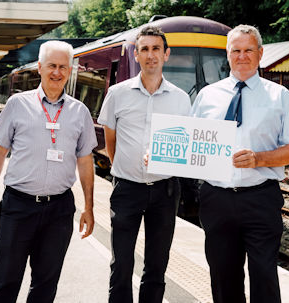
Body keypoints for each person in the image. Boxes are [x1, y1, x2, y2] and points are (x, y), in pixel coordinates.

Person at [190, 25, 289, 303]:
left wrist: (259, 159)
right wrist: (159, 154)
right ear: (227, 54)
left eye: (248, 50)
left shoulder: (279, 95)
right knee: (222, 276)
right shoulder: (208, 95)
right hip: (216, 199)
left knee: (264, 276)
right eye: (236, 50)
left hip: (261, 198)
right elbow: (190, 143)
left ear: (260, 53)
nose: (242, 56)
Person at [0, 40, 98, 303]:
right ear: (40, 68)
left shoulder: (80, 112)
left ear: (70, 70)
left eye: (63, 67)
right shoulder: (17, 104)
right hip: (18, 206)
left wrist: (89, 207)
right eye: (52, 66)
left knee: (45, 285)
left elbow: (86, 161)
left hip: (59, 210)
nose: (57, 72)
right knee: (5, 282)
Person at [97, 26, 191, 303]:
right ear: (136, 55)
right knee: (121, 264)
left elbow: (185, 145)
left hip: (165, 192)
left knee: (157, 265)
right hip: (127, 189)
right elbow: (109, 140)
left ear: (166, 54)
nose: (151, 55)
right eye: (145, 49)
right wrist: (124, 168)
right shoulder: (117, 94)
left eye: (156, 49)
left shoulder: (181, 99)